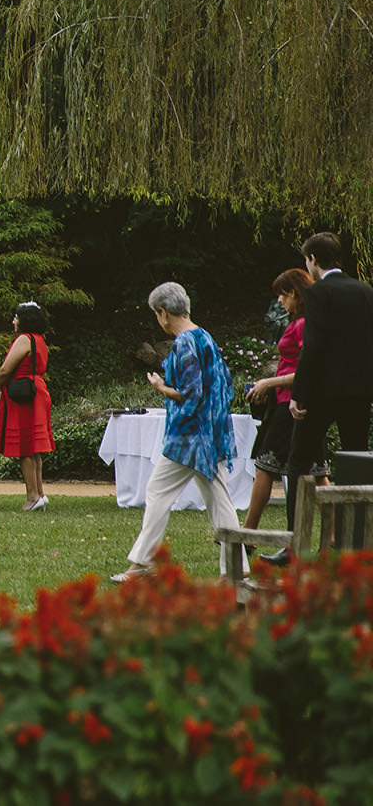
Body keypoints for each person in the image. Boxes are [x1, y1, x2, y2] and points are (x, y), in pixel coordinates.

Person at [111, 281, 238, 582]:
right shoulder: (205, 336)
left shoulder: (183, 343)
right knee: (219, 500)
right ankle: (237, 568)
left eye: (157, 314)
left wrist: (161, 388)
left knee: (158, 492)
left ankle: (144, 564)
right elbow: (223, 385)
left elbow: (191, 394)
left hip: (188, 437)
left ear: (163, 312)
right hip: (210, 434)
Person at [280, 231, 373, 553]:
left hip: (321, 393)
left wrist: (298, 393)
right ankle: (356, 543)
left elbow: (313, 346)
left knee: (297, 464)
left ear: (313, 260)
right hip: (358, 394)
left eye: (307, 259)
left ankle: (295, 542)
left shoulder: (318, 293)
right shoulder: (365, 291)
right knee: (358, 465)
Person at [244, 268, 315, 533]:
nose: (280, 302)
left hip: (291, 402)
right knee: (316, 472)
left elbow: (307, 370)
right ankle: (332, 534)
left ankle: (249, 531)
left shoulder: (304, 325)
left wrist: (268, 383)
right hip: (287, 399)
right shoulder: (298, 322)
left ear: (296, 294)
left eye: (283, 295)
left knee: (265, 464)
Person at [0, 301, 54, 511]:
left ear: (25, 320)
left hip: (24, 394)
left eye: (16, 318)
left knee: (26, 447)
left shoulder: (24, 340)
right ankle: (40, 493)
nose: (13, 321)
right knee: (34, 449)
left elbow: (5, 369)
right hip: (38, 390)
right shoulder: (40, 340)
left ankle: (32, 497)